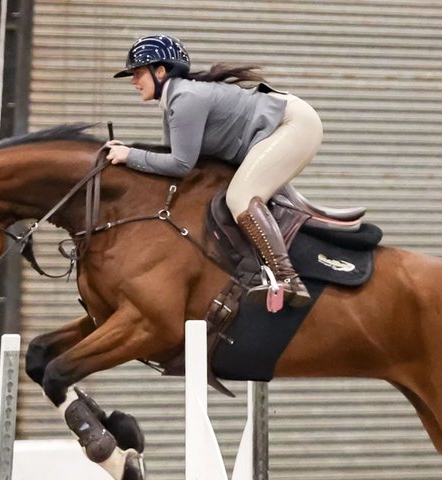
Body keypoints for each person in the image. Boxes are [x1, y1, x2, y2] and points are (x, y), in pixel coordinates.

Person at [106, 33, 323, 306]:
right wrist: (128, 152)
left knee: (239, 198)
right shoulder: (176, 101)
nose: (134, 82)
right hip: (284, 124)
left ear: (160, 71)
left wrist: (129, 155)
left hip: (294, 125)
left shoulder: (185, 99)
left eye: (137, 73)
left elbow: (181, 165)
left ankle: (287, 278)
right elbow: (169, 160)